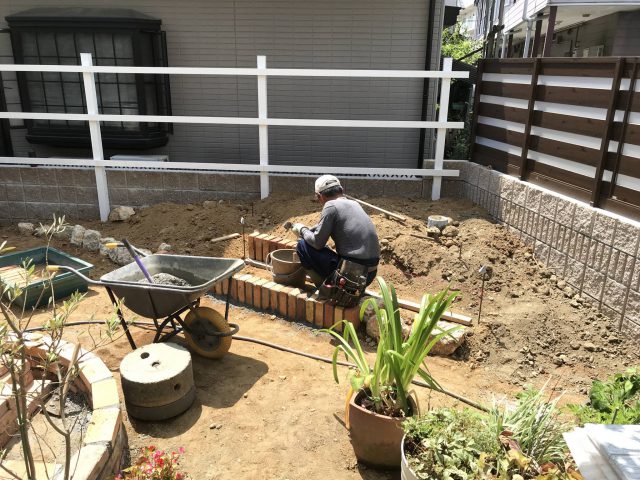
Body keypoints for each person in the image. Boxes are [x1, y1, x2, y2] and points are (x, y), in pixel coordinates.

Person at [290, 175, 380, 297]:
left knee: (302, 245)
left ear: (320, 196)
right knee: (323, 248)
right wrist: (310, 230)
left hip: (349, 275)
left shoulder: (330, 206)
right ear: (341, 190)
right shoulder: (354, 204)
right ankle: (341, 288)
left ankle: (328, 291)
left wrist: (303, 230)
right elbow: (332, 224)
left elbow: (317, 243)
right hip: (368, 275)